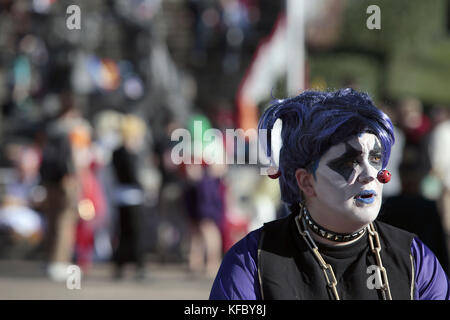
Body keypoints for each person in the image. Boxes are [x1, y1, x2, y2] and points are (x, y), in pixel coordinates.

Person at [209, 88, 450, 300]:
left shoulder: (416, 259)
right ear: (306, 181)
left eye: (375, 159)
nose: (370, 174)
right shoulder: (252, 261)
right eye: (348, 162)